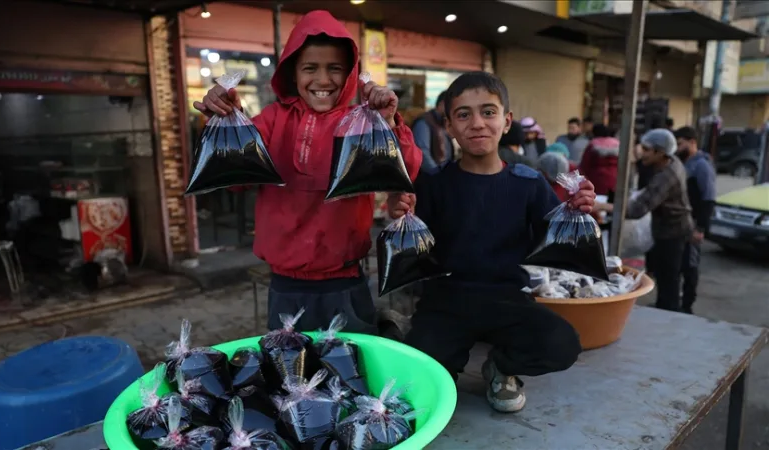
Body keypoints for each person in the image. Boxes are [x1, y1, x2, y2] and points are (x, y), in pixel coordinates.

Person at [193, 11, 422, 333]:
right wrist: (229, 120)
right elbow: (236, 181)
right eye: (310, 68)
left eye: (335, 69)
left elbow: (407, 169)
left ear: (350, 75)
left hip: (346, 280)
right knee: (294, 376)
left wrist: (388, 123)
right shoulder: (272, 120)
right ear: (292, 73)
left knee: (349, 373)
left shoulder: (363, 122)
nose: (323, 80)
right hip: (285, 285)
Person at [389, 72, 595, 413]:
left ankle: (501, 367)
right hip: (445, 300)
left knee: (562, 344)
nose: (477, 124)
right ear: (449, 127)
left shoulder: (529, 183)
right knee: (422, 382)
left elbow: (551, 240)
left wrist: (574, 213)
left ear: (506, 120)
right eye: (463, 114)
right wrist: (400, 215)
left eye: (488, 111)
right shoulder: (433, 184)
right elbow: (414, 246)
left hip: (507, 299)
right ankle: (438, 359)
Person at [594, 129, 693, 312]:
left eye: (647, 150)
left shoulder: (666, 176)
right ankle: (664, 306)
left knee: (668, 279)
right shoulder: (670, 163)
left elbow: (636, 209)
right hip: (667, 229)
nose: (642, 153)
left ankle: (668, 314)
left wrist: (601, 207)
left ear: (660, 152)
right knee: (665, 276)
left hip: (673, 232)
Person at [675, 126, 716, 314]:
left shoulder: (702, 166)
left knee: (690, 266)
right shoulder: (683, 163)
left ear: (692, 142)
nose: (677, 147)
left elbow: (708, 198)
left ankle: (687, 304)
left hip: (693, 225)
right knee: (678, 264)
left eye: (680, 143)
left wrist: (700, 227)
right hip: (679, 224)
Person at [412, 91, 455, 174]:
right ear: (442, 104)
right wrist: (436, 173)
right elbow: (422, 152)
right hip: (430, 179)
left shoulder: (441, 122)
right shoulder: (424, 122)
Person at [579, 124, 620, 197]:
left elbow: (584, 165)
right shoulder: (617, 144)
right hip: (615, 180)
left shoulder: (592, 144)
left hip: (596, 181)